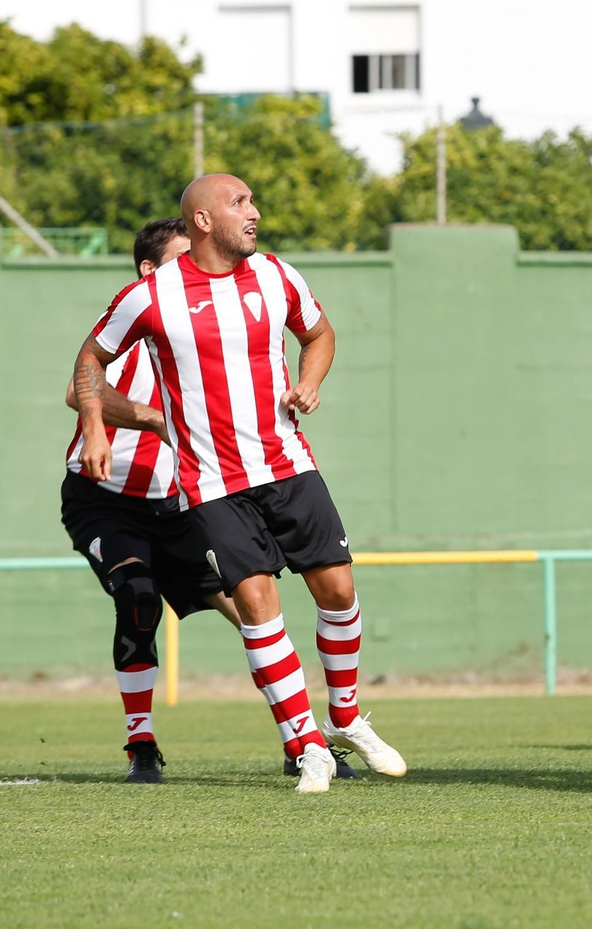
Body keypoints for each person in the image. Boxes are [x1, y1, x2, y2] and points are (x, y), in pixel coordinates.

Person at [72, 174, 405, 794]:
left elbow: (319, 333)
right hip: (212, 483)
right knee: (255, 604)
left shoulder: (277, 274)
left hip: (288, 464)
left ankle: (346, 717)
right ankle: (306, 746)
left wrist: (311, 380)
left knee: (337, 589)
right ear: (203, 220)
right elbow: (90, 358)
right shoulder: (152, 296)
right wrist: (94, 426)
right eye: (240, 203)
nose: (254, 211)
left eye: (253, 199)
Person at [58, 218, 238, 783]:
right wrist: (151, 420)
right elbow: (77, 389)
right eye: (185, 257)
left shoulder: (210, 337)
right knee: (139, 596)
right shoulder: (132, 327)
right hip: (104, 501)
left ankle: (303, 743)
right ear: (148, 271)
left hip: (178, 509)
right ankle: (142, 745)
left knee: (254, 609)